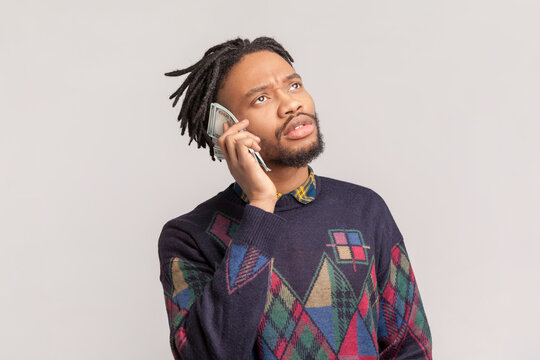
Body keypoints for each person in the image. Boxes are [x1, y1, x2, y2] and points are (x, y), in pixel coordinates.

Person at [159, 37, 432, 360]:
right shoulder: (189, 236)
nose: (291, 104)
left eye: (294, 86)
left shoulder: (364, 209)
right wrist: (261, 204)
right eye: (261, 98)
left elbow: (410, 346)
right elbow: (211, 353)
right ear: (227, 128)